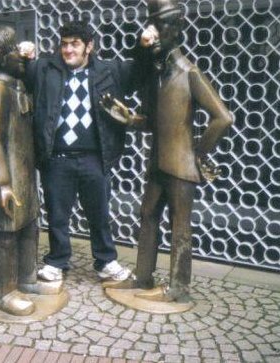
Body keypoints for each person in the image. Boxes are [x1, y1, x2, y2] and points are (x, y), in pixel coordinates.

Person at [102, 0, 233, 302]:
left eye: (159, 27)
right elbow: (153, 121)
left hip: (181, 166)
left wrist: (199, 154)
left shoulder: (189, 73)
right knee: (147, 215)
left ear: (175, 29)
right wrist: (130, 119)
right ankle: (143, 277)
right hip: (157, 164)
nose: (152, 34)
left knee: (179, 226)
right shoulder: (156, 73)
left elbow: (223, 118)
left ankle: (178, 288)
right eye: (151, 26)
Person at [21, 21, 156, 282]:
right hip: (57, 159)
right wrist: (23, 53)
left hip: (95, 158)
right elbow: (19, 71)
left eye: (75, 44)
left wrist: (144, 47)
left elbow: (140, 71)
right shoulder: (45, 69)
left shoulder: (110, 71)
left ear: (89, 46)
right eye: (64, 44)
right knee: (57, 214)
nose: (68, 50)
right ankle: (57, 261)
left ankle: (105, 261)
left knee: (99, 214)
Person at [0, 26, 61, 316]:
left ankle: (26, 279)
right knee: (3, 238)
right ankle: (2, 292)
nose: (21, 53)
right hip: (4, 178)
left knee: (29, 228)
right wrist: (1, 184)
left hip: (23, 173)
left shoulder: (17, 84)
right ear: (1, 57)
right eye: (15, 50)